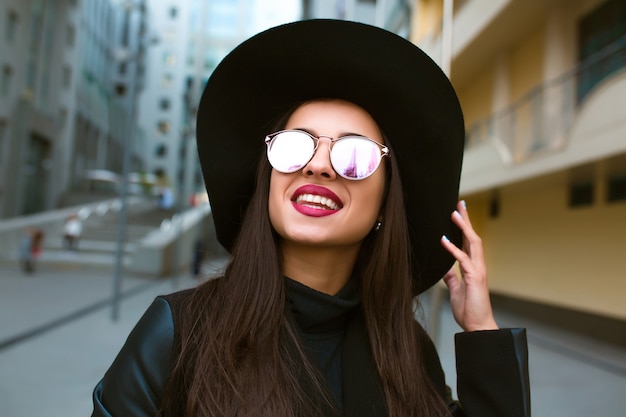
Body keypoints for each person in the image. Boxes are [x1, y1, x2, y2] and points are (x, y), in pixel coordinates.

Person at [92, 20, 530, 417]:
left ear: (384, 206)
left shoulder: (409, 353)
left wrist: (482, 332)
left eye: (354, 154)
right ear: (268, 181)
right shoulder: (177, 334)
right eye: (294, 145)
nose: (319, 165)